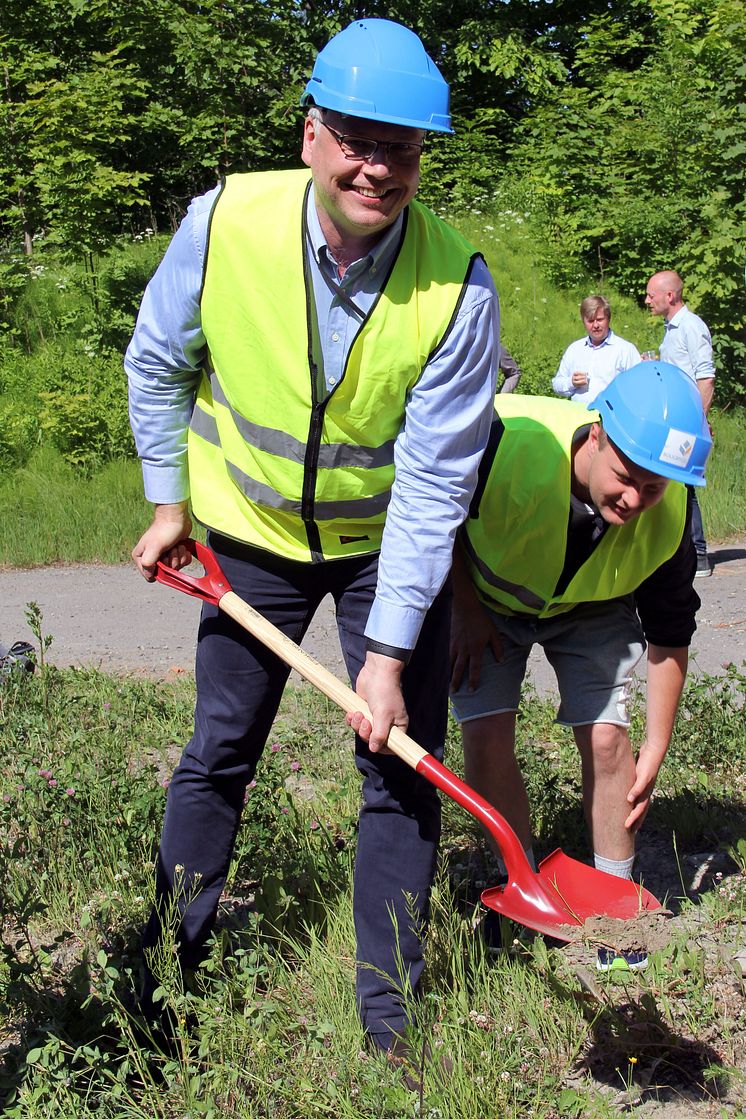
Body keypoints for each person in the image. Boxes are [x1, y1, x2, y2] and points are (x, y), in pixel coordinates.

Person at [125, 18, 498, 1053]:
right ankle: (163, 987)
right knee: (219, 753)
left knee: (398, 768)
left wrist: (386, 655)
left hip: (385, 547)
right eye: (356, 139)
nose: (376, 167)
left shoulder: (457, 286)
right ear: (310, 135)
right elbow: (157, 362)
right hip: (244, 539)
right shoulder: (224, 221)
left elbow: (432, 485)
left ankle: (387, 1026)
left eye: (402, 148)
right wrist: (169, 506)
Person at [449, 362, 711, 970]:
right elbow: (438, 511)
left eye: (653, 488)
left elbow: (671, 634)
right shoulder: (504, 442)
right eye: (626, 478)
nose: (635, 499)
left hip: (592, 605)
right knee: (486, 735)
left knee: (607, 739)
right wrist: (463, 604)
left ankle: (615, 909)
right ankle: (521, 890)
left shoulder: (668, 514)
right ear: (597, 436)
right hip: (486, 600)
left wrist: (656, 746)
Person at [645, 270, 715, 577]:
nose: (647, 300)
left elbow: (706, 377)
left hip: (686, 423)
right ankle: (676, 553)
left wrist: (697, 423)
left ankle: (698, 555)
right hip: (672, 420)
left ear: (669, 296)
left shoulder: (691, 326)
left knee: (684, 485)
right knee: (670, 483)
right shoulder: (671, 328)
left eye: (651, 295)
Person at [552, 295, 641, 405]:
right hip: (580, 417)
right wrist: (571, 383)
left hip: (611, 418)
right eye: (590, 321)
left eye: (599, 320)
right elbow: (556, 384)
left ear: (608, 319)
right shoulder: (575, 349)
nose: (595, 325)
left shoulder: (625, 350)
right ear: (583, 321)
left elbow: (639, 387)